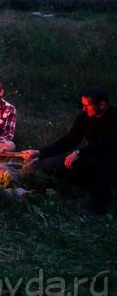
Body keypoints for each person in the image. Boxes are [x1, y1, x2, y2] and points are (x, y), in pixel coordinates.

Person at [23, 85, 117, 216]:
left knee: (107, 161)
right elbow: (69, 140)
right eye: (83, 105)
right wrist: (40, 152)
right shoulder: (85, 116)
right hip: (92, 156)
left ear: (102, 104)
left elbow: (108, 143)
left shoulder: (114, 117)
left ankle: (98, 205)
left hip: (111, 158)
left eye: (87, 105)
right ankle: (89, 182)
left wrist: (79, 153)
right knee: (50, 166)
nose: (84, 109)